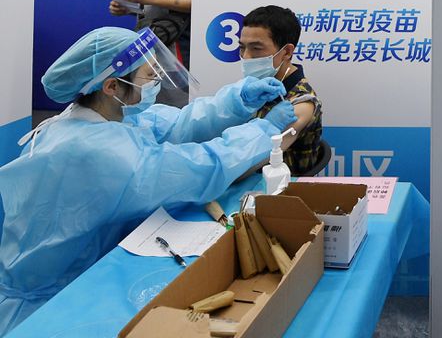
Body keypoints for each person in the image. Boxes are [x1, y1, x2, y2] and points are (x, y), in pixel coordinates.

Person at [0, 27, 297, 335]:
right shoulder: (99, 152)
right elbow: (202, 168)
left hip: (75, 273)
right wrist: (263, 131)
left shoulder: (105, 114)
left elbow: (179, 124)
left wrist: (237, 100)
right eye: (147, 75)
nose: (156, 81)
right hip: (49, 304)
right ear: (112, 85)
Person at [239, 5, 324, 176]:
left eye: (256, 48)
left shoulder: (302, 102)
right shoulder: (255, 86)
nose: (246, 57)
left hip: (279, 193)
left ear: (286, 52)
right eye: (242, 47)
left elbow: (252, 163)